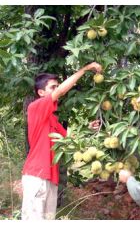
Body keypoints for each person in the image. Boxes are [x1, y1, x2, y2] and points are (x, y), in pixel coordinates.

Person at [21, 62, 102, 220]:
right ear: (41, 92)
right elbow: (62, 91)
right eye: (52, 87)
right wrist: (85, 69)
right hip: (36, 176)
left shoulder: (52, 119)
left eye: (56, 86)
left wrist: (87, 128)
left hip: (51, 178)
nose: (56, 89)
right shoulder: (35, 108)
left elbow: (70, 140)